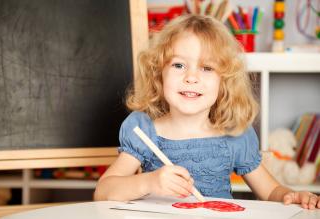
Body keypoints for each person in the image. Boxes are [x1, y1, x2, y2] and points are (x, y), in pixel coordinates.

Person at [94, 14, 320, 209]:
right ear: (158, 75)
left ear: (224, 83)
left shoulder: (234, 135)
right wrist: (148, 182)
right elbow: (103, 192)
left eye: (207, 68)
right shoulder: (144, 130)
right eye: (179, 65)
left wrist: (291, 195)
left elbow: (271, 192)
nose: (191, 77)